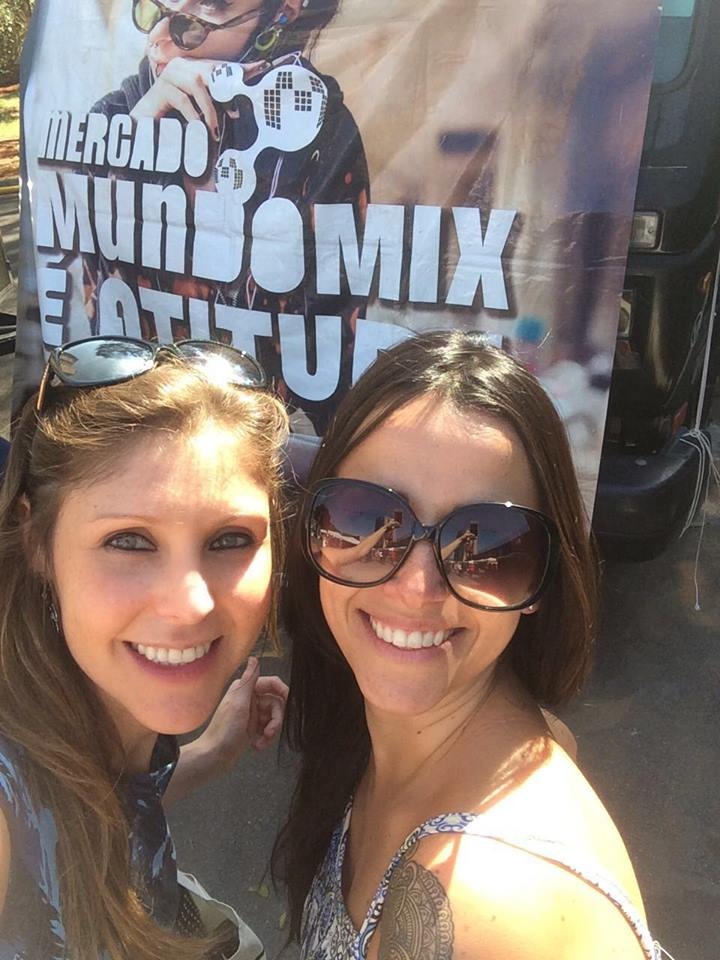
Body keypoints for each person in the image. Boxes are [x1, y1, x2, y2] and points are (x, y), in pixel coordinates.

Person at [274, 330, 664, 959]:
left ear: (542, 581)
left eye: (490, 547)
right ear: (312, 531)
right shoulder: (470, 736)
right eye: (365, 517)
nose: (417, 588)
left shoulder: (486, 903)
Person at [0, 336, 289, 958]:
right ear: (36, 542)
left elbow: (96, 806)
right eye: (129, 541)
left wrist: (208, 755)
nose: (191, 605)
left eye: (230, 539)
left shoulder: (92, 708)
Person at [82, 0, 369, 433]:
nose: (157, 39)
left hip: (257, 436)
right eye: (153, 9)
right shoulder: (115, 117)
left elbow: (331, 345)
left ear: (281, 16)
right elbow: (96, 302)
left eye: (196, 21)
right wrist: (135, 141)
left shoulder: (319, 130)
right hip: (137, 426)